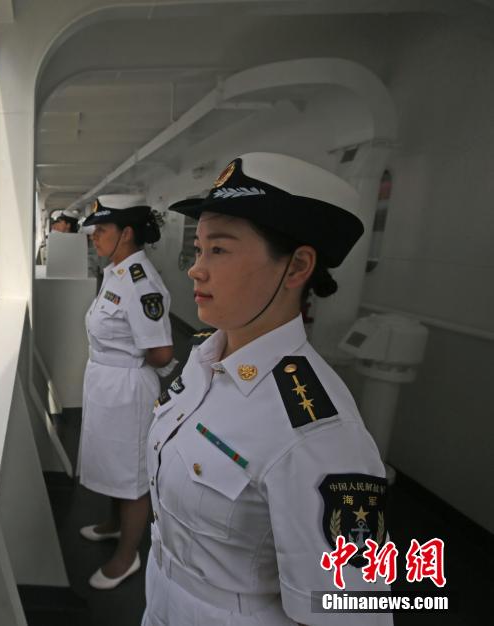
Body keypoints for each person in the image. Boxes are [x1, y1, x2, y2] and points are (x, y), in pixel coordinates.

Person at [143, 154, 392, 626]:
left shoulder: (320, 432)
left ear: (296, 267)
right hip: (162, 597)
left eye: (219, 250)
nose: (196, 269)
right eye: (198, 249)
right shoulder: (203, 360)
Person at [77, 194, 174, 590]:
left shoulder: (141, 282)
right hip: (106, 385)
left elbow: (162, 351)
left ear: (127, 233)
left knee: (131, 475)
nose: (95, 237)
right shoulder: (116, 271)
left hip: (127, 390)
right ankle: (114, 524)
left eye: (102, 230)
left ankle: (127, 555)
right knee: (110, 459)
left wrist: (127, 368)